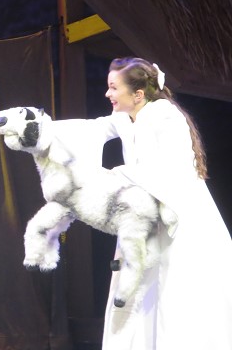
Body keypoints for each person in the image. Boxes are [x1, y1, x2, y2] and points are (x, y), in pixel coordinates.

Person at [92, 57, 232, 349]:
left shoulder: (165, 116)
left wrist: (117, 175)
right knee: (139, 298)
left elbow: (171, 169)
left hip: (179, 220)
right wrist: (42, 131)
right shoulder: (126, 118)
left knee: (176, 296)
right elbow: (90, 130)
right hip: (147, 218)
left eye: (114, 87)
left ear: (138, 94)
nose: (107, 93)